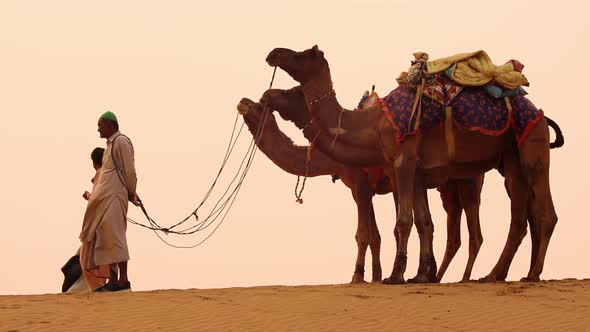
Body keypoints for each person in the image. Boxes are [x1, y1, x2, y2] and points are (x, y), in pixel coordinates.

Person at [79, 111, 141, 292]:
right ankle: (113, 279)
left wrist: (132, 192)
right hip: (106, 199)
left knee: (116, 238)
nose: (98, 128)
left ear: (110, 125)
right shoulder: (109, 147)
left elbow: (130, 171)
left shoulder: (121, 141)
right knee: (106, 239)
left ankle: (123, 280)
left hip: (115, 197)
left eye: (100, 124)